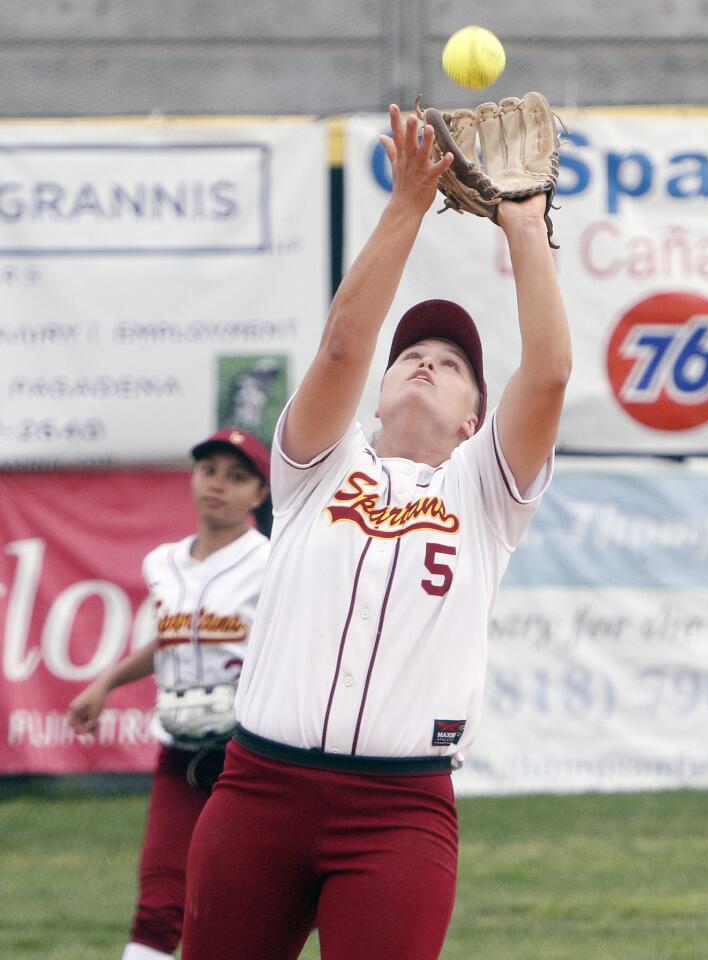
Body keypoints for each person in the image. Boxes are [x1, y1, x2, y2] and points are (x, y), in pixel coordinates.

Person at [181, 103, 571, 960]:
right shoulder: (318, 466)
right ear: (381, 386)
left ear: (476, 417)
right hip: (258, 793)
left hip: (397, 812)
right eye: (412, 355)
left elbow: (545, 375)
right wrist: (405, 204)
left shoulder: (483, 494)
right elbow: (340, 346)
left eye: (455, 362)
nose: (427, 360)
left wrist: (523, 226)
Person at [67, 427, 272, 960]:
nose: (217, 485)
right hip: (178, 754)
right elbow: (173, 636)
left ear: (260, 494)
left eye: (237, 476)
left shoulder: (273, 563)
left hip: (249, 757)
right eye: (208, 471)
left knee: (247, 905)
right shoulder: (163, 562)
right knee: (158, 905)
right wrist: (106, 681)